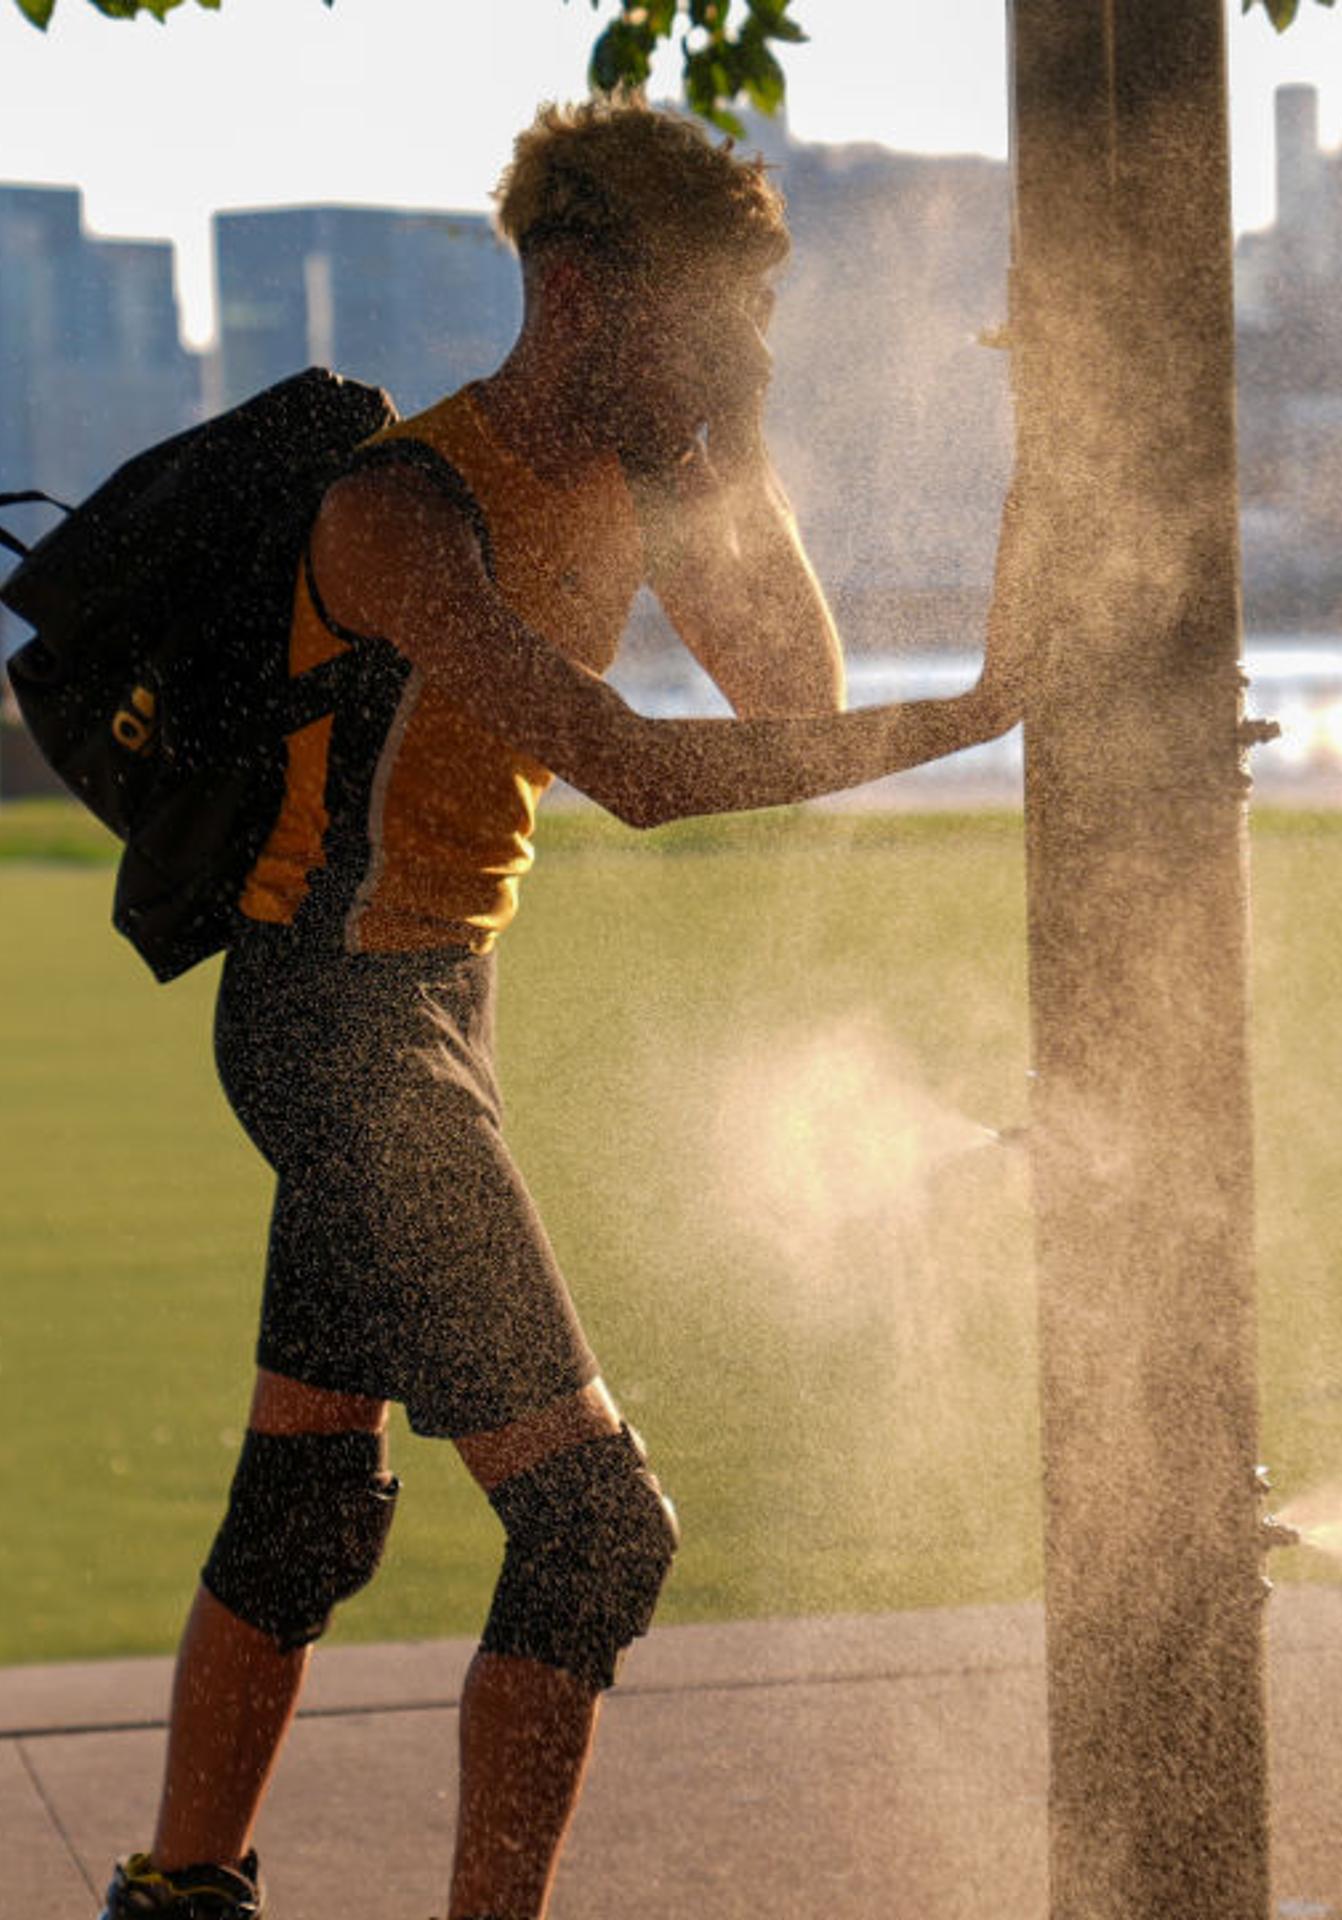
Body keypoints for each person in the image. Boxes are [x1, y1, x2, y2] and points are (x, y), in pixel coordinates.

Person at [100, 94, 1026, 1920]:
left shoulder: (635, 478)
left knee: (310, 1501)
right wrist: (975, 715)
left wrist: (734, 452)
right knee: (598, 1537)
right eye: (716, 322)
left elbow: (782, 696)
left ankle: (176, 1894)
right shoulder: (398, 513)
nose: (735, 358)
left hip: (436, 1010)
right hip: (338, 1033)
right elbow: (642, 773)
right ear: (578, 293)